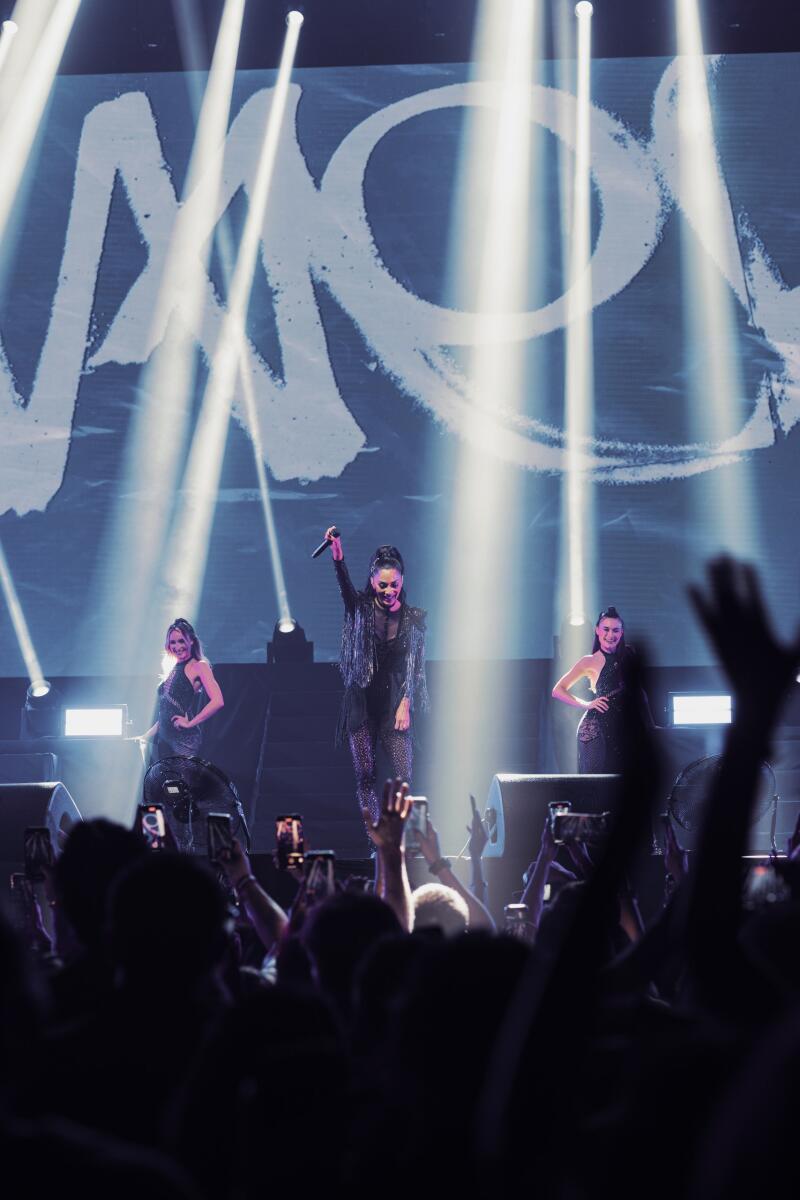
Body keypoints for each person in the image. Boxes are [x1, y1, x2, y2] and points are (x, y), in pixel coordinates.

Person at [323, 527, 428, 828]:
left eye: (393, 584)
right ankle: (375, 840)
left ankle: (403, 834)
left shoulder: (413, 619)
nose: (388, 590)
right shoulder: (360, 609)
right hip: (361, 702)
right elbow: (343, 583)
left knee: (404, 774)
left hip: (393, 702)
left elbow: (415, 667)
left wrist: (406, 702)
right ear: (372, 581)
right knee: (365, 775)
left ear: (401, 581)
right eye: (382, 585)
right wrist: (337, 549)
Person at [551, 606, 635, 773]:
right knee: (594, 782)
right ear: (597, 630)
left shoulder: (629, 654)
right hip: (594, 729)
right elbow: (557, 690)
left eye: (615, 630)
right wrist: (587, 704)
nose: (610, 635)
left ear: (621, 632)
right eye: (606, 629)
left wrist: (650, 724)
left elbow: (640, 694)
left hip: (621, 726)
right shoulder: (589, 661)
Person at [138, 618, 224, 760]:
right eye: (173, 642)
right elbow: (166, 713)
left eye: (181, 641)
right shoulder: (172, 668)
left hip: (184, 741)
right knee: (164, 782)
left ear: (191, 641)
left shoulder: (199, 666)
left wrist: (190, 723)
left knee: (181, 782)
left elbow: (218, 701)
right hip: (163, 741)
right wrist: (145, 736)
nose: (177, 646)